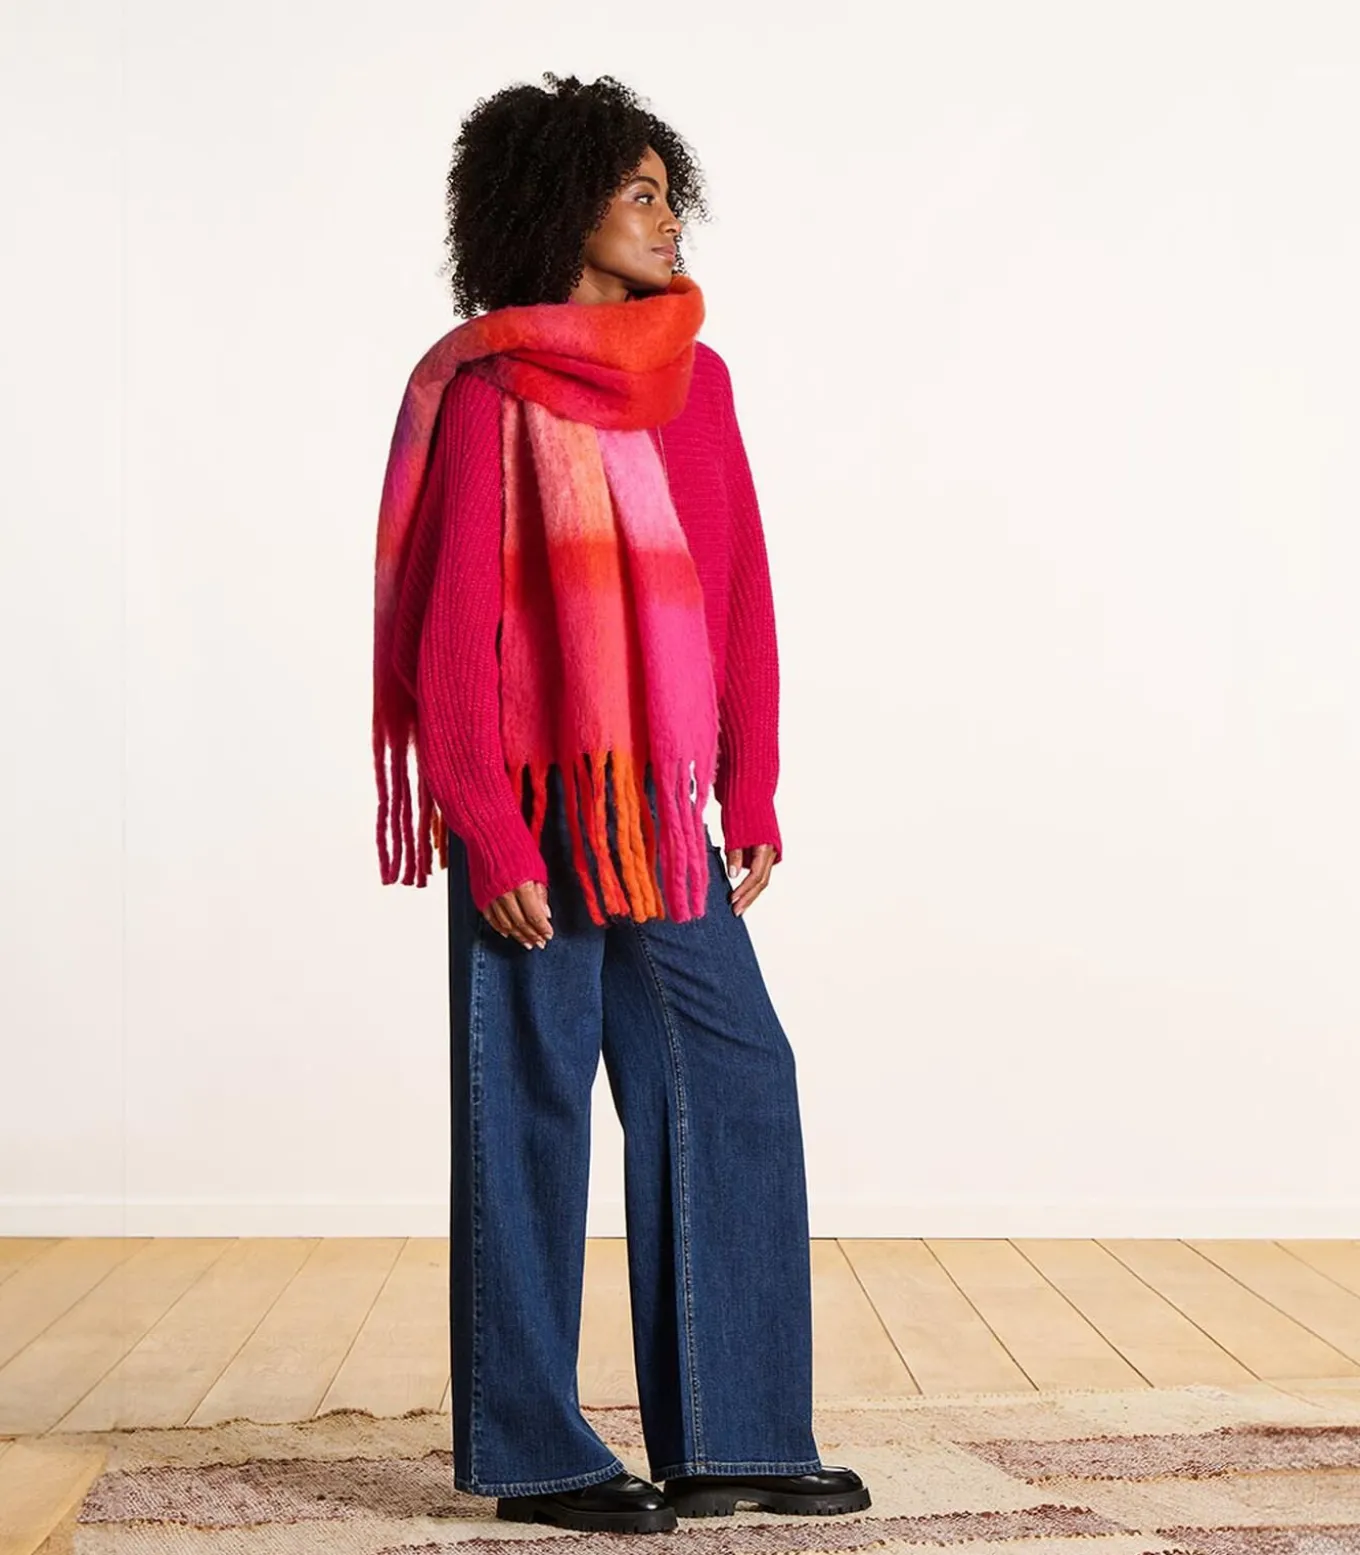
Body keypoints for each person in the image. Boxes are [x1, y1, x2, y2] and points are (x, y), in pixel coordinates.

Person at [371, 72, 870, 1534]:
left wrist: (750, 776)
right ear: (560, 204)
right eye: (639, 193)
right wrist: (483, 819)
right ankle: (536, 1454)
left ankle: (736, 1434)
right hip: (530, 802)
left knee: (734, 1072)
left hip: (655, 806)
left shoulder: (699, 381)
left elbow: (741, 589)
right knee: (527, 1116)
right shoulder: (484, 391)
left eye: (670, 194)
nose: (668, 219)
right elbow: (452, 630)